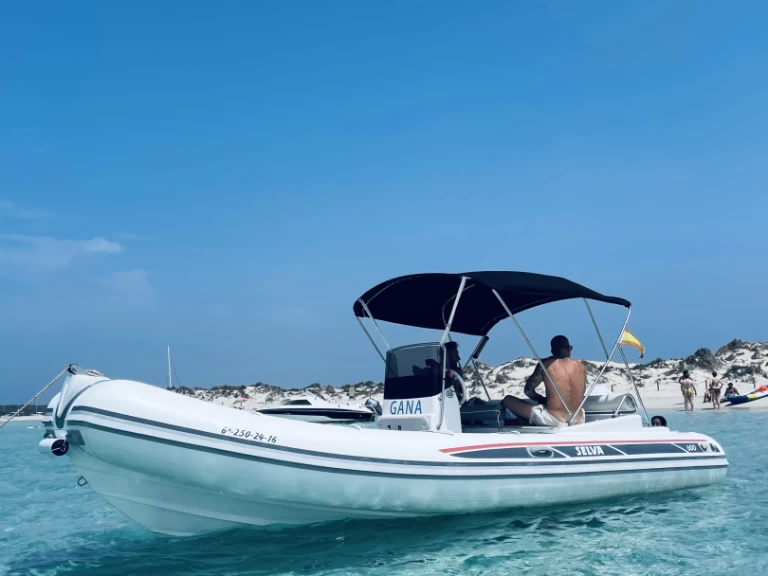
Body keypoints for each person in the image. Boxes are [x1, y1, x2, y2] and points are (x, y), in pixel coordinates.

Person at [502, 335, 585, 426]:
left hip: (554, 420)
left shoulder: (545, 365)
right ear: (569, 348)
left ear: (552, 351)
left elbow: (528, 391)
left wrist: (542, 400)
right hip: (579, 419)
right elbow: (581, 393)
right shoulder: (580, 366)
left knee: (507, 400)